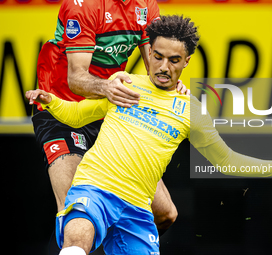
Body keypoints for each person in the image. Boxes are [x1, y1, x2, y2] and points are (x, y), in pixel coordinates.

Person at [27, 15, 272, 255]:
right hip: (96, 189)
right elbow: (79, 116)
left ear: (186, 62)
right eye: (157, 57)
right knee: (77, 239)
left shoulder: (192, 112)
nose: (163, 67)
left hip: (136, 209)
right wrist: (51, 101)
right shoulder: (126, 83)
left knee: (166, 215)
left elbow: (227, 160)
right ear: (149, 54)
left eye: (173, 60)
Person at [32, 0, 184, 237]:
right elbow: (76, 78)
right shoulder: (83, 5)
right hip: (62, 110)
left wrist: (173, 85)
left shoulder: (146, 5)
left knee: (164, 214)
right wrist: (107, 87)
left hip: (107, 109)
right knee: (75, 211)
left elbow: (155, 66)